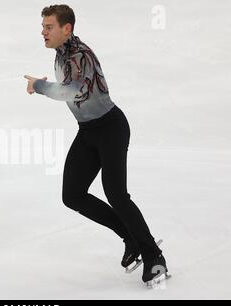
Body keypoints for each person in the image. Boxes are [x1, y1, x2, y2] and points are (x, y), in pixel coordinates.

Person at [24, 5, 169, 286]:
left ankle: (154, 256)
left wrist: (40, 87)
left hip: (111, 129)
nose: (43, 31)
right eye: (43, 26)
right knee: (73, 195)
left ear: (67, 28)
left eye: (49, 26)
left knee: (117, 194)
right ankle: (130, 236)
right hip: (88, 131)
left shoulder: (80, 55)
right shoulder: (62, 53)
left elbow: (71, 90)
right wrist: (46, 83)